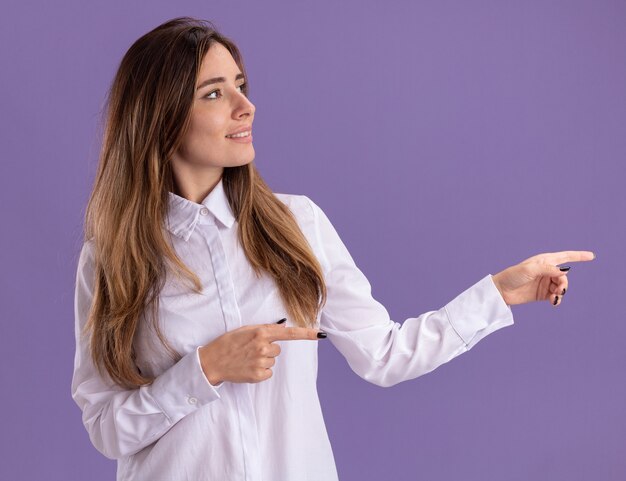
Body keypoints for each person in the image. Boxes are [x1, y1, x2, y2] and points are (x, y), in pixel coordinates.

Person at [71, 16, 595, 481]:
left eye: (241, 84)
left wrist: (497, 293)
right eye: (214, 93)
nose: (246, 106)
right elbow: (105, 427)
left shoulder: (297, 224)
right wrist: (205, 368)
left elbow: (385, 355)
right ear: (160, 118)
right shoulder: (112, 259)